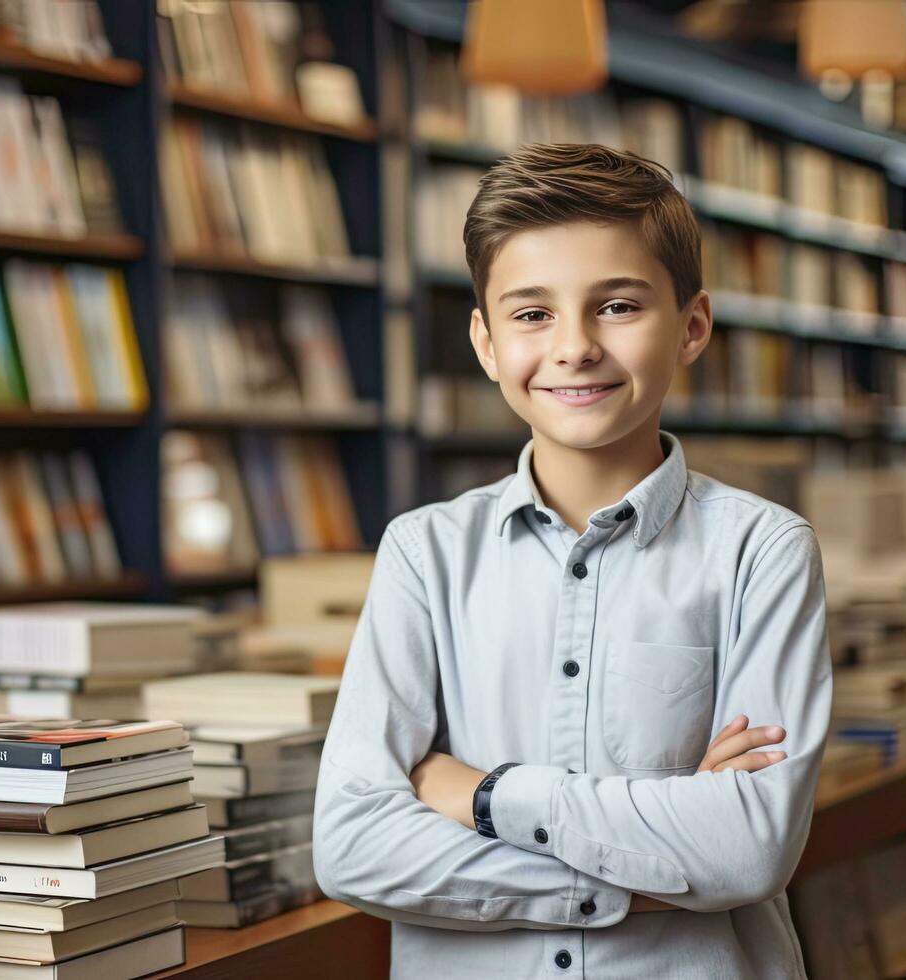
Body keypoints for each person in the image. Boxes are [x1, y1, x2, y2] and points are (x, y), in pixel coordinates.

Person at [312, 143, 833, 978]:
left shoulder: (760, 552)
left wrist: (479, 794)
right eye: (531, 314)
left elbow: (745, 850)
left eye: (617, 306)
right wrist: (645, 873)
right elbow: (353, 847)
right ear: (484, 342)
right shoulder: (425, 553)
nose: (574, 347)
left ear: (691, 325)